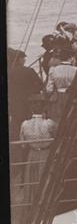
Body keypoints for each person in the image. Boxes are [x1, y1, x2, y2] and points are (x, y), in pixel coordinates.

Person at [8, 49, 43, 180]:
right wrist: (30, 91)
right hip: (27, 107)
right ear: (19, 59)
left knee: (17, 134)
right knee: (29, 133)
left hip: (15, 108)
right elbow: (39, 85)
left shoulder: (9, 73)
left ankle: (17, 167)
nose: (25, 60)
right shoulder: (28, 71)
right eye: (23, 58)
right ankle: (27, 163)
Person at [19, 110, 57, 205]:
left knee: (32, 178)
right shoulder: (49, 123)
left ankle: (32, 202)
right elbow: (56, 138)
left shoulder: (25, 124)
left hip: (32, 153)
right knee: (46, 176)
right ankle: (46, 201)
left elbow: (23, 145)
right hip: (46, 153)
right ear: (44, 112)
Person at [45, 48, 77, 121]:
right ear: (71, 58)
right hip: (72, 96)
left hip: (58, 98)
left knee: (58, 119)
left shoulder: (53, 69)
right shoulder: (76, 70)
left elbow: (49, 89)